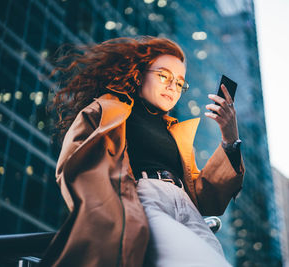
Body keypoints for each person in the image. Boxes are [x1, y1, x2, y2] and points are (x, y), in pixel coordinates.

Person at [41, 36, 245, 267]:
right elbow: (76, 165)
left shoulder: (175, 132)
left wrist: (229, 138)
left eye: (179, 83)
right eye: (164, 75)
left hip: (188, 209)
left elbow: (208, 200)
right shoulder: (106, 110)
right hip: (142, 199)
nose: (172, 86)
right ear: (139, 75)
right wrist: (107, 208)